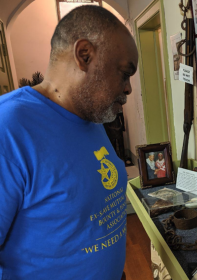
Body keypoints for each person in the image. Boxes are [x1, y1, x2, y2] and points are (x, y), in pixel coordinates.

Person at [0, 6, 138, 280]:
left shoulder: (90, 117)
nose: (128, 88)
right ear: (84, 55)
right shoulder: (9, 128)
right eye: (124, 73)